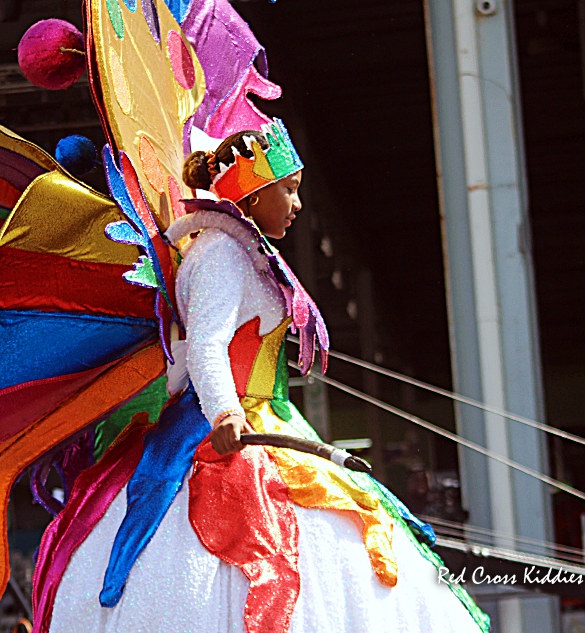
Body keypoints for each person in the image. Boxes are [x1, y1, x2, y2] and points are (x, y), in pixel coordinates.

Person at [37, 124, 490, 633]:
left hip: (263, 418)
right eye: (289, 189)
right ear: (253, 191)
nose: (297, 203)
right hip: (225, 424)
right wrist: (226, 413)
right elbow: (207, 345)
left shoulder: (242, 251)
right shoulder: (221, 255)